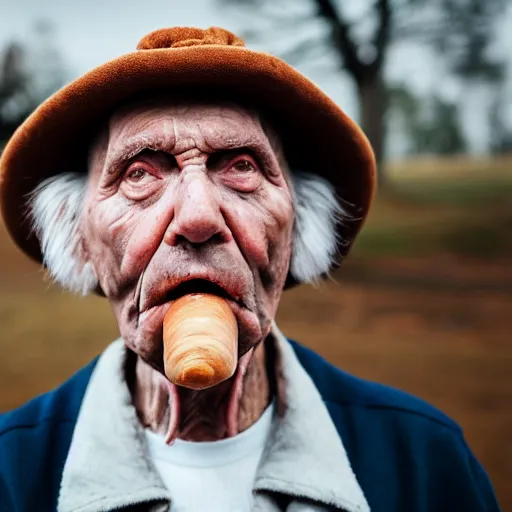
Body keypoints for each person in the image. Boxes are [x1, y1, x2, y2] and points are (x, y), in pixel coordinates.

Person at [0, 26, 501, 512]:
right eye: (139, 174)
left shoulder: (423, 460)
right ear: (80, 240)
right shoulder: (12, 473)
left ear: (298, 231)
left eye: (241, 166)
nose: (198, 217)